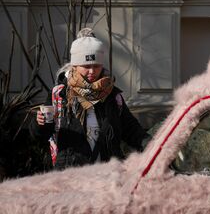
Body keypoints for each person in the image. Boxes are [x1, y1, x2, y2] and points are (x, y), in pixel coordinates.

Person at [31, 28, 150, 170]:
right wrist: (40, 123)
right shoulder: (59, 94)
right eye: (86, 66)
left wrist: (154, 146)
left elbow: (131, 129)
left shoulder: (111, 95)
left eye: (96, 66)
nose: (92, 71)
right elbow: (39, 136)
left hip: (108, 175)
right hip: (71, 176)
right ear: (75, 66)